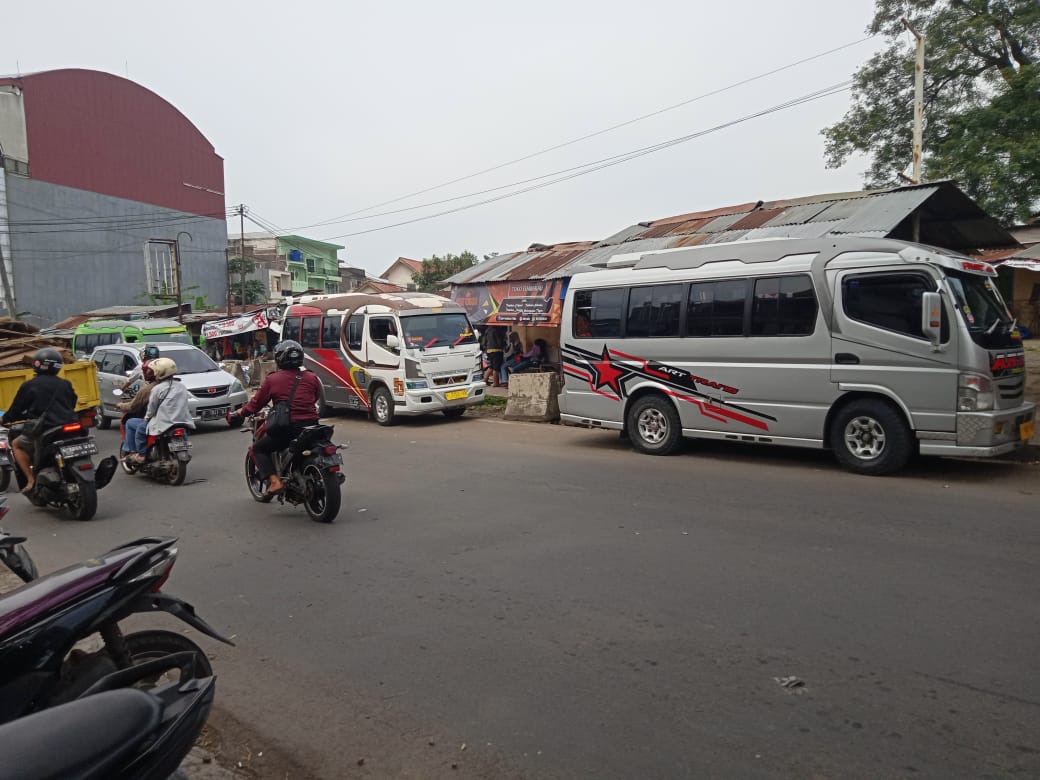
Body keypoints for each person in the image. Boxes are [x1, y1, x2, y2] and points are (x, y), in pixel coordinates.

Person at [227, 340, 321, 497]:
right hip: (312, 426)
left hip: (288, 429)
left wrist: (239, 413)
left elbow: (254, 405)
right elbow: (315, 398)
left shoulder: (273, 380)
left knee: (258, 448)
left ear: (279, 359)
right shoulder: (312, 377)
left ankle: (275, 481)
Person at [0, 348, 79, 494]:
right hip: (69, 425)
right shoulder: (65, 384)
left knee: (16, 444)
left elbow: (16, 409)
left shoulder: (30, 385)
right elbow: (73, 402)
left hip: (45, 428)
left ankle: (31, 479)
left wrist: (5, 419)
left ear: (37, 364)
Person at [124, 357, 195, 464]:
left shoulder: (157, 389)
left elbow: (151, 408)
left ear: (158, 372)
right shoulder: (181, 386)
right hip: (183, 421)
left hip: (163, 423)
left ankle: (142, 455)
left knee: (140, 431)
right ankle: (184, 448)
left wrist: (147, 418)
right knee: (183, 433)